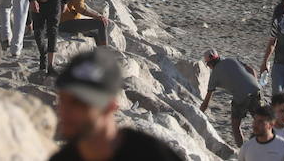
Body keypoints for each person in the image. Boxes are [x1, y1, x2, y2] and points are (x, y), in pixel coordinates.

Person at [49, 48, 184, 160]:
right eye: (63, 99)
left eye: (79, 102)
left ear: (110, 106)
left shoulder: (152, 155)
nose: (65, 111)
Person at [203, 49, 263, 147]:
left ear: (209, 64)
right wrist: (255, 83)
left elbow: (206, 102)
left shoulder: (213, 76)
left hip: (240, 97)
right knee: (261, 120)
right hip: (255, 89)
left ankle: (242, 151)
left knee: (235, 126)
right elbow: (251, 70)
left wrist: (199, 112)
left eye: (208, 65)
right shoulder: (232, 60)